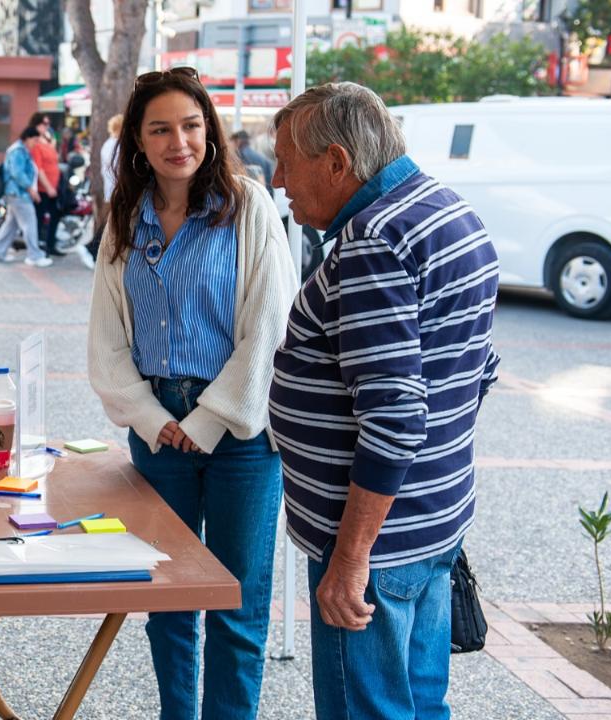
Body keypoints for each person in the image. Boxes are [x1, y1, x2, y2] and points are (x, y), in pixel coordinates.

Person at [267, 82, 501, 720]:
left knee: (368, 710)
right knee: (422, 704)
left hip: (378, 542)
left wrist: (350, 556)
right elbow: (475, 373)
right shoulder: (448, 210)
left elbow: (396, 417)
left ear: (338, 162)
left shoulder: (374, 239)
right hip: (432, 520)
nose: (280, 179)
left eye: (288, 160)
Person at [87, 67, 298, 720]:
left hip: (239, 433)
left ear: (209, 130)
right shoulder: (126, 218)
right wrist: (153, 420)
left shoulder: (248, 205)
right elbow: (106, 337)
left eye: (190, 125)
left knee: (237, 602)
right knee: (168, 604)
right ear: (139, 144)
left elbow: (269, 324)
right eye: (160, 129)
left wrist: (206, 421)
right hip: (157, 434)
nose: (179, 140)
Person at [0, 126, 50, 267]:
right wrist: (31, 189)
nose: (36, 143)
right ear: (27, 138)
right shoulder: (18, 151)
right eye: (35, 140)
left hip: (14, 193)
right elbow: (18, 173)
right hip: (19, 193)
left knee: (11, 225)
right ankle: (34, 255)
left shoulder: (18, 149)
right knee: (29, 223)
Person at [80, 113, 124, 270]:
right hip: (117, 191)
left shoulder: (110, 144)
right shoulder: (116, 145)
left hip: (113, 190)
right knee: (109, 224)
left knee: (111, 223)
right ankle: (91, 249)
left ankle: (93, 249)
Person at [29, 117, 64, 257]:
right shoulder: (36, 144)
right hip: (43, 188)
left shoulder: (48, 142)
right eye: (43, 124)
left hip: (54, 187)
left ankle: (50, 245)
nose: (46, 126)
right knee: (39, 218)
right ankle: (37, 249)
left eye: (48, 124)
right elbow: (39, 168)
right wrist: (48, 187)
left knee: (55, 215)